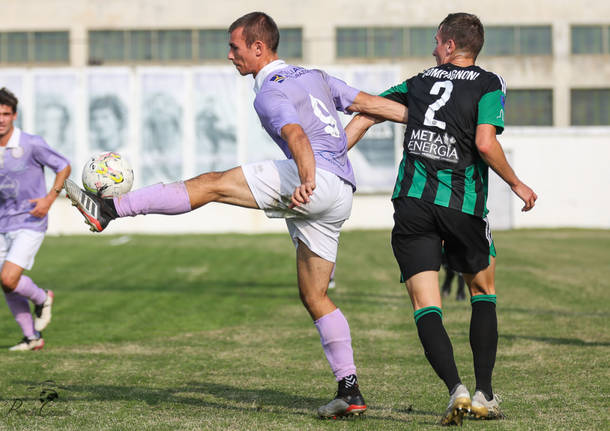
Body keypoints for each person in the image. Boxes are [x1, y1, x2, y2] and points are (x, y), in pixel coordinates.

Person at [64, 11, 405, 418]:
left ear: (258, 48)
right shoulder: (315, 76)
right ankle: (350, 391)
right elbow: (368, 106)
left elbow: (295, 135)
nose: (229, 55)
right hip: (340, 194)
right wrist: (434, 123)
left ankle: (111, 208)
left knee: (211, 184)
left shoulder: (269, 93)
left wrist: (308, 178)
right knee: (314, 295)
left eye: (235, 46)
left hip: (314, 183)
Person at [344, 13, 537, 425]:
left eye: (436, 42)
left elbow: (366, 109)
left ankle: (457, 390)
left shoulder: (416, 83)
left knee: (425, 303)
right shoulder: (489, 83)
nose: (433, 49)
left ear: (449, 45)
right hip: (462, 205)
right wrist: (517, 184)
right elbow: (485, 142)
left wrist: (329, 159)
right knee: (482, 291)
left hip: (412, 203)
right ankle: (483, 393)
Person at [0, 87, 71, 351]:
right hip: (2, 222)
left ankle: (42, 297)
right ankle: (31, 338)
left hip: (30, 220)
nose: (1, 119)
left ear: (14, 116)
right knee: (7, 285)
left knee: (9, 278)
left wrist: (50, 199)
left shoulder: (30, 143)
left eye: (6, 114)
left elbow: (63, 166)